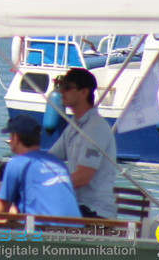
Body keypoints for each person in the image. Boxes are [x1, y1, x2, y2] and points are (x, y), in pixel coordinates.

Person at [47, 67, 117, 219]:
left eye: (66, 87)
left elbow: (83, 177)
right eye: (59, 86)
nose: (60, 92)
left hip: (94, 212)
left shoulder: (95, 128)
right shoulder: (74, 125)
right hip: (76, 207)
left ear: (84, 92)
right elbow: (49, 159)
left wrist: (45, 187)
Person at [0, 115, 80, 217]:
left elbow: (0, 210)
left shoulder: (16, 164)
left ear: (16, 138)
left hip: (44, 229)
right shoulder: (59, 163)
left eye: (11, 135)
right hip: (76, 228)